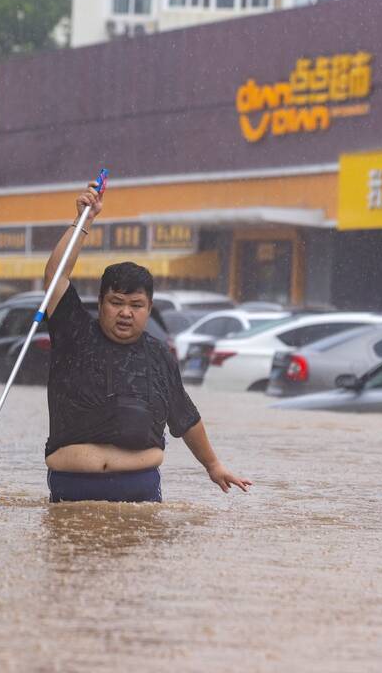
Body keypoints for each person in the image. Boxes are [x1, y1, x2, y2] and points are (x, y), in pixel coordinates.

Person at [42, 181, 252, 503]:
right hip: (72, 490)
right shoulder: (74, 332)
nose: (125, 313)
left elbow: (185, 416)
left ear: (149, 309)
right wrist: (83, 220)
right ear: (100, 303)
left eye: (136, 305)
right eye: (116, 302)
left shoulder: (158, 355)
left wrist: (213, 465)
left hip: (139, 494)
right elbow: (56, 275)